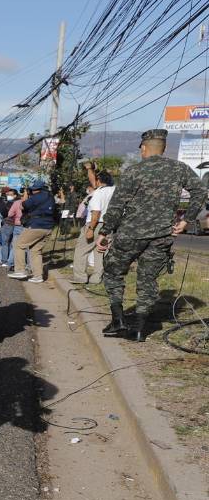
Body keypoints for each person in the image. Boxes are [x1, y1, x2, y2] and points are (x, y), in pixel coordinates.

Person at [98, 129, 207, 341]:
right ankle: (139, 329)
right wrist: (186, 220)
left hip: (130, 234)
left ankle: (118, 320)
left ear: (144, 148)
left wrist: (104, 231)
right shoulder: (179, 168)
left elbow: (117, 205)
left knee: (113, 272)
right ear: (163, 148)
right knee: (147, 279)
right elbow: (200, 191)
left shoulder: (133, 171)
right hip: (161, 235)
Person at [8, 179, 56, 282]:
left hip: (36, 226)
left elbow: (22, 205)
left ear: (36, 190)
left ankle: (20, 270)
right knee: (35, 251)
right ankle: (38, 276)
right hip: (49, 227)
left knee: (19, 245)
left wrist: (26, 195)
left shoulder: (36, 197)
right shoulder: (50, 197)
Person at [72, 170, 114, 285]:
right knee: (100, 251)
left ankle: (80, 277)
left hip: (95, 224)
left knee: (81, 250)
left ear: (99, 181)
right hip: (109, 225)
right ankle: (97, 278)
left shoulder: (97, 193)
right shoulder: (114, 191)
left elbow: (96, 212)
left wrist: (90, 229)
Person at [0, 187, 22, 269]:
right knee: (11, 243)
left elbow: (7, 213)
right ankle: (11, 261)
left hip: (8, 224)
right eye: (8, 194)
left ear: (15, 195)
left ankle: (4, 260)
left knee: (5, 243)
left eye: (10, 195)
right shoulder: (20, 202)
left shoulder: (10, 203)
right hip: (17, 225)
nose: (8, 196)